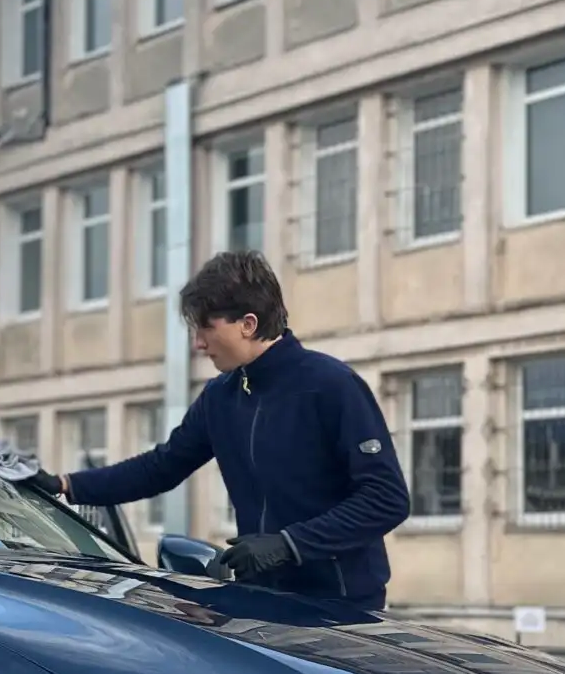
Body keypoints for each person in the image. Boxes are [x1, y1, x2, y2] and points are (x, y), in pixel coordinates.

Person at [31, 250, 409, 608]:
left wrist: (288, 545)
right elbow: (161, 467)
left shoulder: (331, 386)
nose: (198, 344)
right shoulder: (221, 397)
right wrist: (65, 485)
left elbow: (386, 499)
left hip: (341, 608)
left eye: (206, 329)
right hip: (260, 600)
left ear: (248, 324)